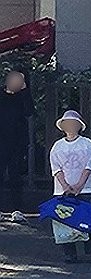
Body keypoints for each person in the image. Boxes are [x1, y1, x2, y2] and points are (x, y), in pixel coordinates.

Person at [49, 110, 91, 264]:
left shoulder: (87, 143)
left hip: (84, 189)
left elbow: (89, 166)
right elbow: (55, 168)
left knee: (88, 220)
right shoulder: (57, 146)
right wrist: (65, 186)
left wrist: (79, 185)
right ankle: (69, 254)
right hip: (61, 191)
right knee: (64, 221)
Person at [0, 69, 33, 216]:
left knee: (15, 176)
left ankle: (16, 209)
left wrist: (25, 92)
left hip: (17, 142)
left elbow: (29, 111)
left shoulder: (23, 96)